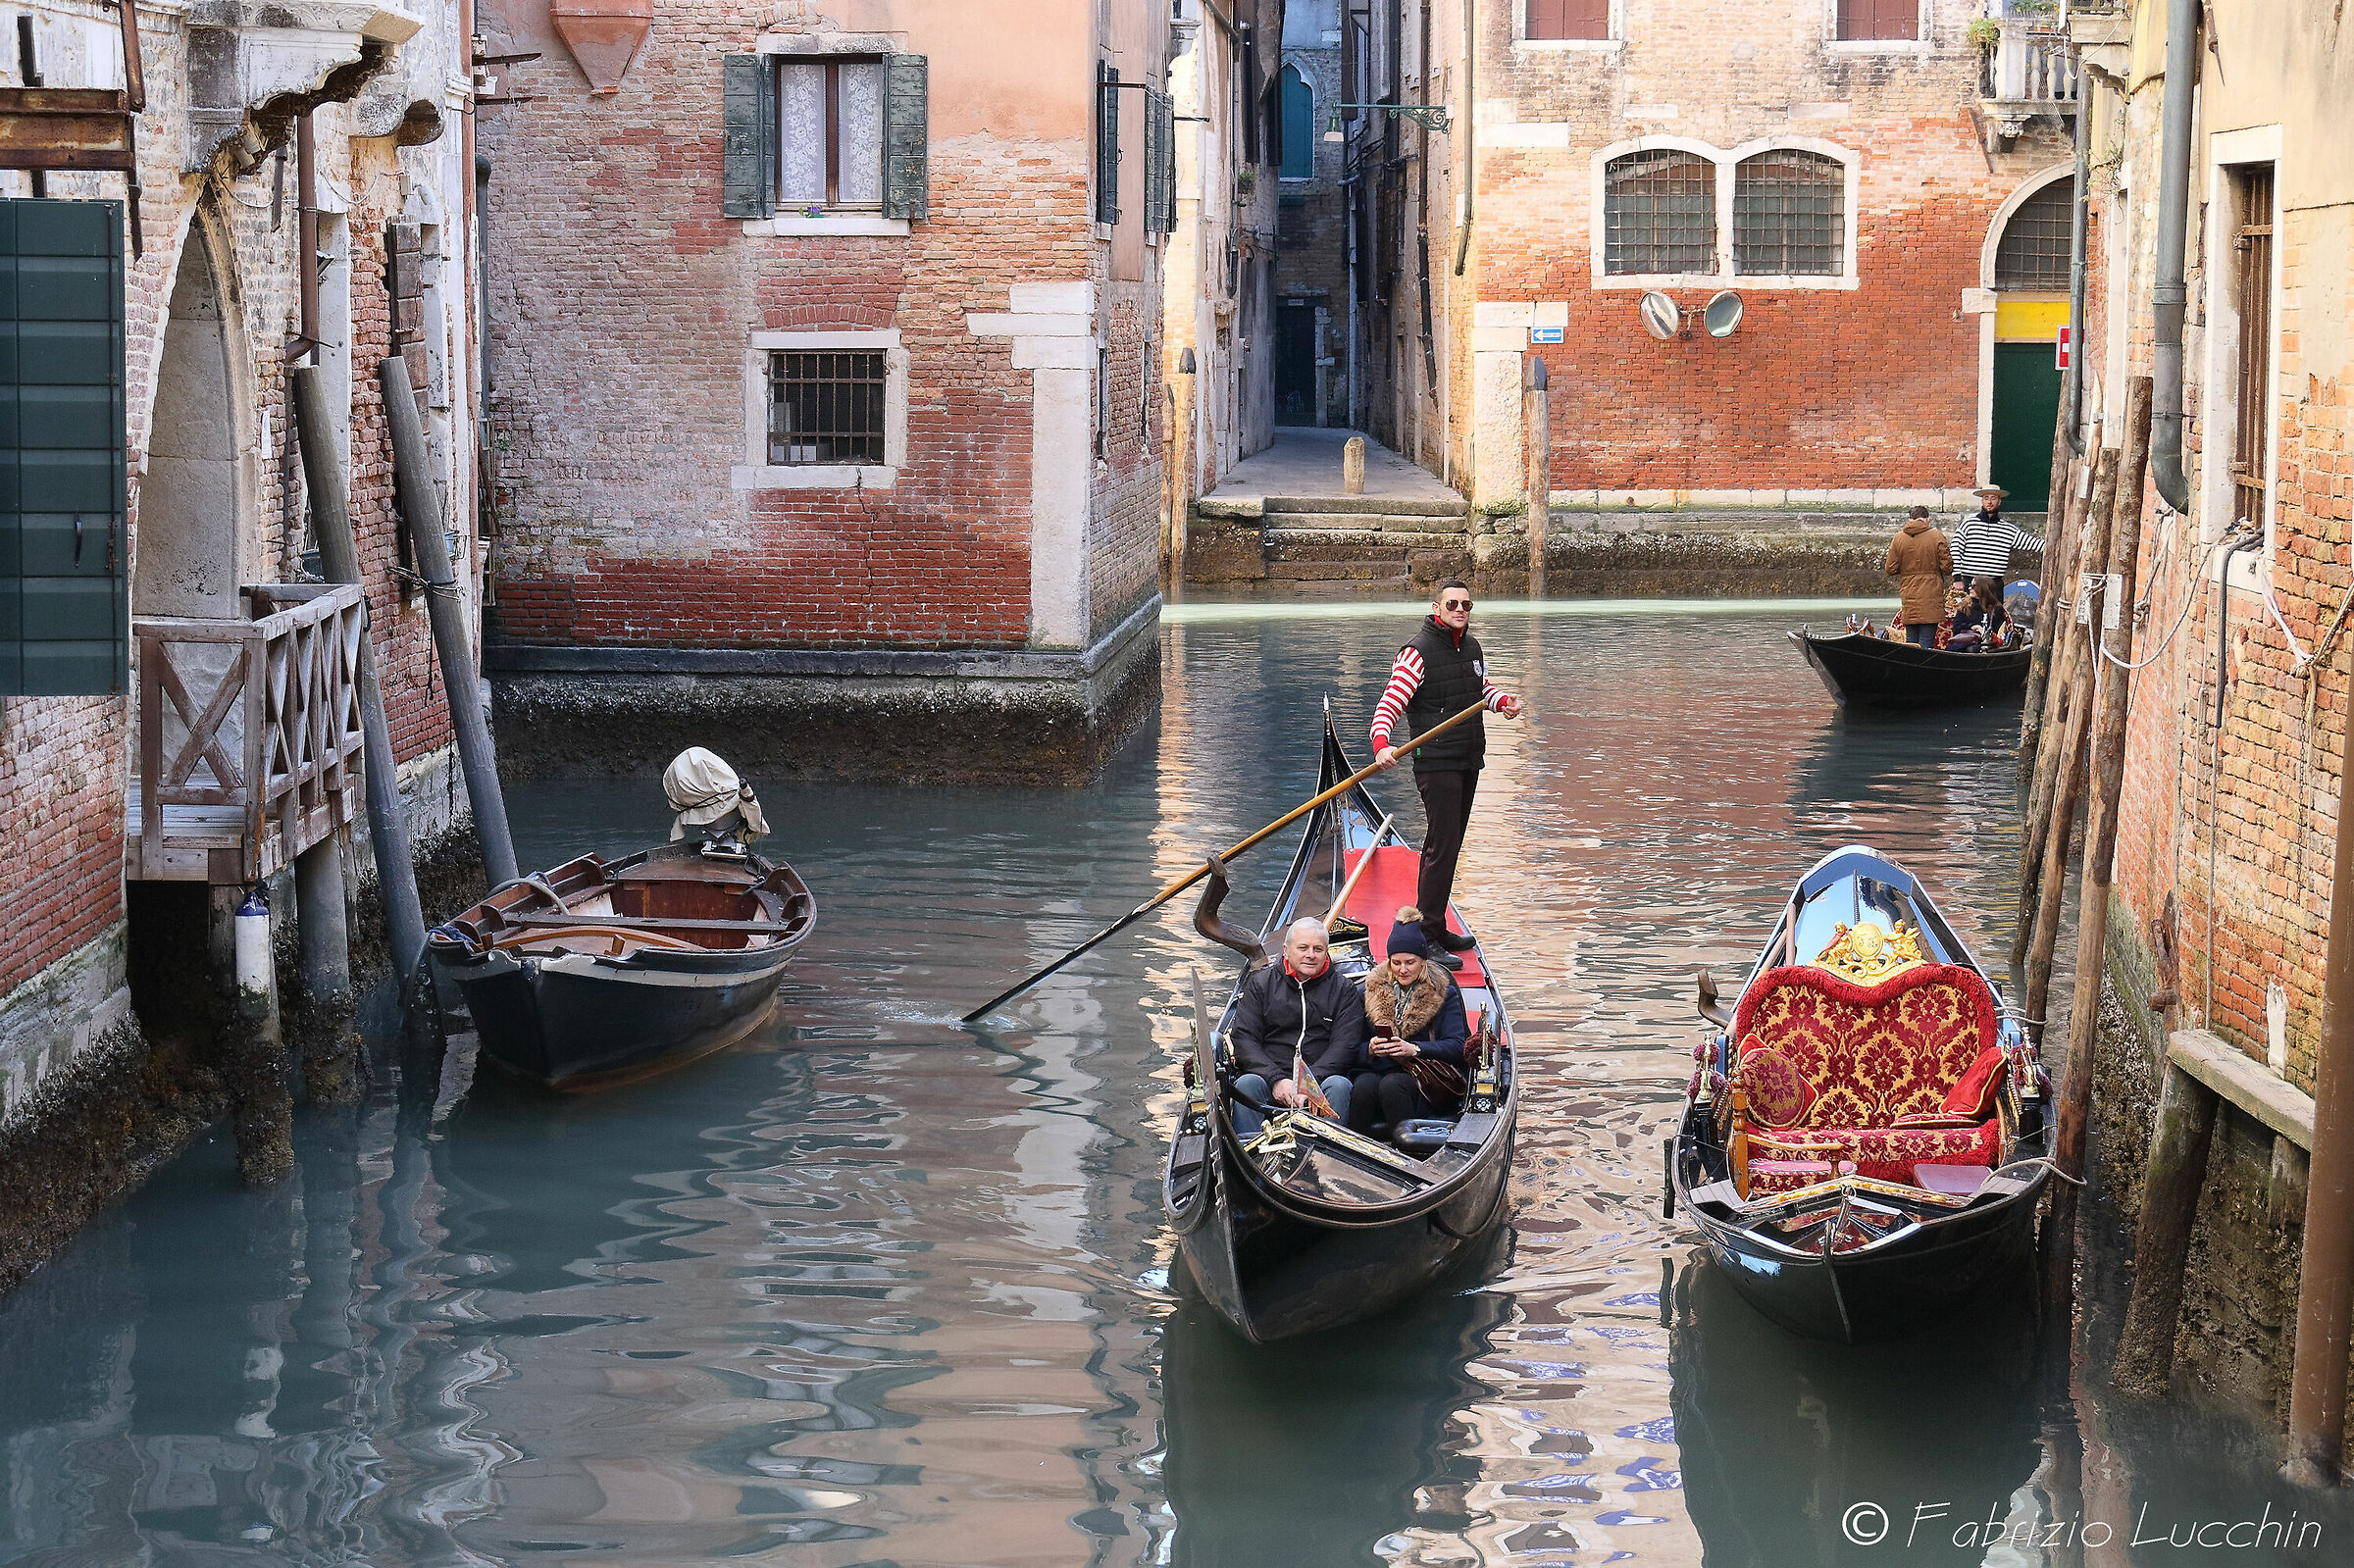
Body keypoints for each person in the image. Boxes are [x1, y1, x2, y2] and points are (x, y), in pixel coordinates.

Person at [1369, 580, 1526, 970]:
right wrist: (1381, 744)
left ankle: (1436, 927)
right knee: (1441, 846)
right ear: (1437, 608)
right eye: (1453, 603)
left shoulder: (1471, 647)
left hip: (1467, 757)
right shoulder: (1416, 653)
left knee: (1452, 844)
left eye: (1467, 604)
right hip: (1435, 760)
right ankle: (1425, 934)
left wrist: (1501, 702)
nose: (1461, 609)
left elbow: (1478, 688)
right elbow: (1390, 702)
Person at [1228, 918, 1366, 1138]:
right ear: (1286, 950)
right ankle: (1249, 1152)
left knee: (1339, 1086)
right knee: (1247, 1083)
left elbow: (1345, 1046)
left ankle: (1328, 1155)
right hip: (1269, 1076)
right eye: (1303, 948)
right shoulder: (1261, 984)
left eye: (1317, 949)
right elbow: (1244, 1038)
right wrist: (1276, 1079)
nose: (1310, 955)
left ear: (1326, 952)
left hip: (1321, 1078)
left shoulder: (1343, 990)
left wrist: (1308, 1084)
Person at [1350, 910, 1470, 1139]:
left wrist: (1415, 1049)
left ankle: (1408, 1154)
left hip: (1424, 1072)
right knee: (1363, 1086)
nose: (1402, 970)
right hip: (1379, 1067)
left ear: (1423, 962)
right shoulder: (1366, 993)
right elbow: (1350, 1045)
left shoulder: (1444, 994)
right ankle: (1353, 1153)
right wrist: (1370, 1049)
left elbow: (1457, 1046)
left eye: (1410, 962)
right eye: (1396, 963)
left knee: (1392, 1085)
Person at [1885, 506, 1954, 647]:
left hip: (1909, 592)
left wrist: (1907, 569)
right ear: (1927, 519)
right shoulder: (1936, 536)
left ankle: (1910, 667)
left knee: (1911, 639)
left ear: (1910, 519)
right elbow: (1947, 568)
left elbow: (1890, 568)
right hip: (1931, 593)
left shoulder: (1898, 538)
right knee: (1927, 640)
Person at [1951, 486, 2043, 585]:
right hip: (1970, 582)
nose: (1989, 502)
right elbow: (1955, 549)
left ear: (1999, 502)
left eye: (1993, 498)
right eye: (1986, 498)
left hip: (1994, 584)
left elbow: (2033, 543)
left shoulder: (2008, 529)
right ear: (1982, 501)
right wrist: (1957, 578)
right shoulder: (1968, 523)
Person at [1947, 576, 2010, 651]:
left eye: (1974, 586)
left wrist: (1983, 631)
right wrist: (1973, 627)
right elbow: (1956, 629)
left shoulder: (1996, 609)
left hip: (1985, 645)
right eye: (1970, 586)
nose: (1969, 588)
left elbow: (1998, 633)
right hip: (1965, 641)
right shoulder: (1964, 606)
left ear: (1984, 588)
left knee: (1972, 649)